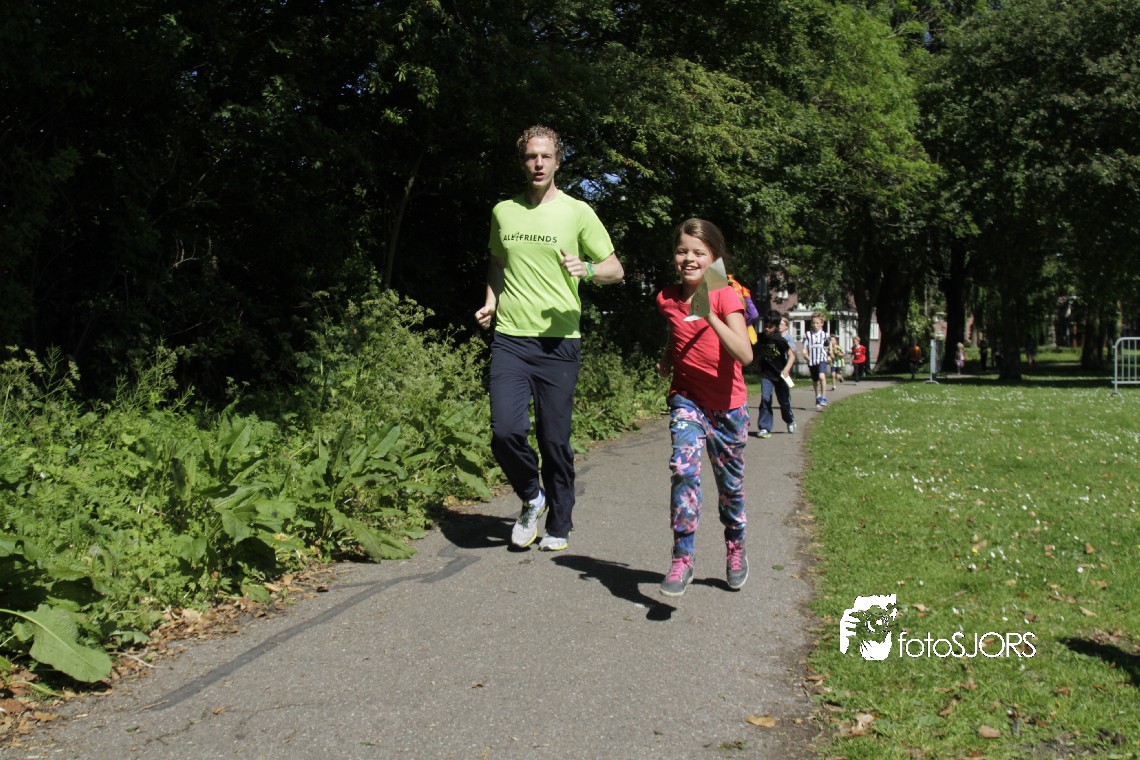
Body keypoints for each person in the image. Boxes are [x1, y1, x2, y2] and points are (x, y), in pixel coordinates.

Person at [475, 125, 624, 552]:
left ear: (558, 161)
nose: (538, 164)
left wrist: (588, 269)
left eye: (545, 156)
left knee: (554, 440)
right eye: (530, 156)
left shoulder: (577, 212)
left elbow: (615, 269)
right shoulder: (504, 211)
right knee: (505, 431)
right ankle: (532, 496)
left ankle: (560, 521)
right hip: (511, 338)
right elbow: (498, 263)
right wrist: (491, 302)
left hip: (559, 342)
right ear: (522, 162)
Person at [655, 218, 753, 597]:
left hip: (728, 409)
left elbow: (745, 354)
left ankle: (735, 546)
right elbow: (677, 332)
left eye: (699, 252)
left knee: (730, 489)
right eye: (682, 251)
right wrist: (668, 357)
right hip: (688, 401)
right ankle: (683, 556)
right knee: (683, 470)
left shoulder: (724, 295)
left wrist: (708, 312)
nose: (689, 258)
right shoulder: (666, 298)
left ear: (714, 257)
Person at [754, 310, 797, 439]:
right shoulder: (761, 337)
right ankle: (765, 428)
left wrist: (786, 369)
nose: (767, 329)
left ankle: (790, 420)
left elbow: (791, 356)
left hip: (780, 376)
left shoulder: (779, 339)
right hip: (766, 375)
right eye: (766, 325)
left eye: (770, 326)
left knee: (784, 403)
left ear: (777, 326)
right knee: (765, 399)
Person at [802, 311, 831, 409]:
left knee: (822, 376)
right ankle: (817, 395)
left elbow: (828, 346)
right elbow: (805, 347)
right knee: (815, 381)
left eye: (817, 323)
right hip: (812, 360)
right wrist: (805, 354)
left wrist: (830, 354)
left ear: (822, 323)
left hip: (821, 358)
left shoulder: (825, 335)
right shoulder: (807, 335)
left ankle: (823, 397)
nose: (815, 325)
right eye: (813, 323)